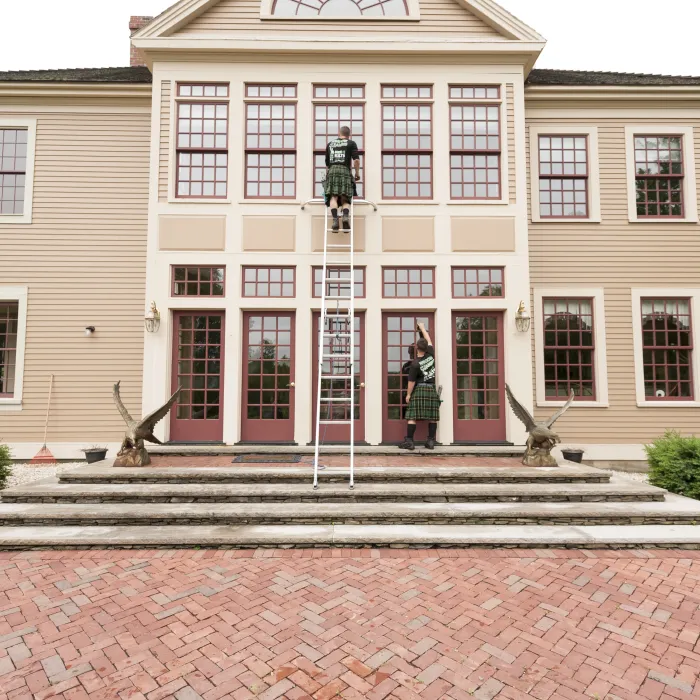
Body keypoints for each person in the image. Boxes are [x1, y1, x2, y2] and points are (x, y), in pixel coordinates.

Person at [400, 323, 439, 450]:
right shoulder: (431, 355)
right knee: (432, 417)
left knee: (411, 416)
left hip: (420, 388)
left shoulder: (415, 364)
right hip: (431, 389)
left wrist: (408, 394)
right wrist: (422, 328)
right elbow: (429, 340)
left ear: (417, 349)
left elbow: (411, 382)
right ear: (426, 348)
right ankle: (431, 441)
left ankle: (410, 442)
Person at [324, 125, 360, 232]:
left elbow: (327, 164)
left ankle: (335, 220)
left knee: (333, 197)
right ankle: (345, 217)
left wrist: (329, 176)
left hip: (332, 170)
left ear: (339, 134)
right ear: (349, 135)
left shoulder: (330, 144)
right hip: (344, 170)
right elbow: (356, 161)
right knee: (346, 196)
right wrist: (357, 173)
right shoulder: (351, 143)